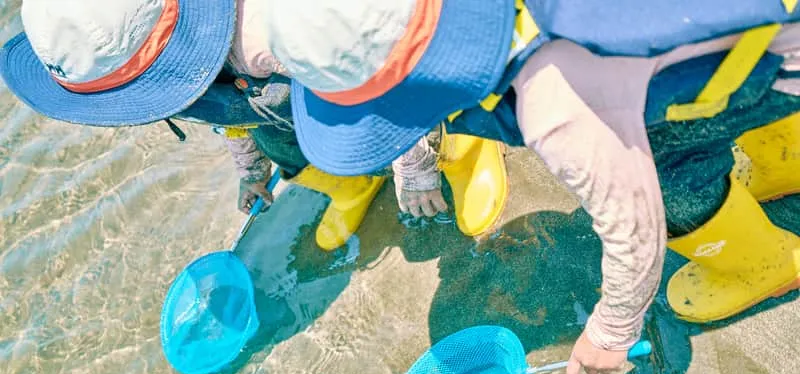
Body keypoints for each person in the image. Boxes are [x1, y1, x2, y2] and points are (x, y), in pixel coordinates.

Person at [262, 0, 800, 374]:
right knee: (724, 92)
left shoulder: (555, 100)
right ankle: (785, 162)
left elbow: (635, 224)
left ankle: (764, 266)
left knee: (674, 181)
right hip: (749, 23)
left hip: (777, 58)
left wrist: (612, 330)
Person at [0, 0, 510, 253]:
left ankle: (465, 155)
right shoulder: (154, 63)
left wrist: (413, 162)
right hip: (274, 117)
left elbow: (385, 74)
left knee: (387, 118)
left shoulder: (271, 30)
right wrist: (250, 169)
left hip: (348, 79)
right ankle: (350, 184)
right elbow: (226, 124)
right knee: (292, 153)